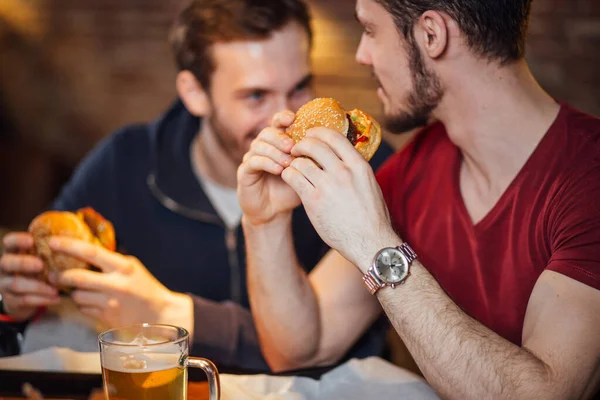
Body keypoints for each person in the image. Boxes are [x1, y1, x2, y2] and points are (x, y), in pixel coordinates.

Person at [0, 0, 393, 369]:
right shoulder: (125, 160)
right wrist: (14, 300)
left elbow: (321, 349)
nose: (285, 116)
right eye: (256, 96)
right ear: (194, 93)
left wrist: (169, 315)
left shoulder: (364, 168)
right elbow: (41, 292)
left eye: (299, 88)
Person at [238, 0, 600, 397]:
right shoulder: (415, 167)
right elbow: (302, 347)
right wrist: (265, 221)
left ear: (432, 35)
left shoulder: (590, 178)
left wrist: (374, 245)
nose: (361, 54)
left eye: (371, 30)